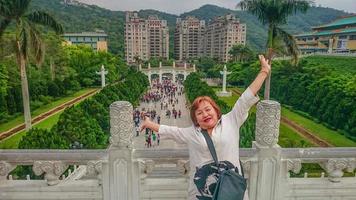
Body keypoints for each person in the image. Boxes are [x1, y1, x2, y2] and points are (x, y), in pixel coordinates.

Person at [140, 55, 271, 200]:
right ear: (195, 118)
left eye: (208, 110)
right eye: (199, 113)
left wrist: (264, 71)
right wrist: (149, 124)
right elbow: (171, 131)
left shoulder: (231, 121)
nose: (205, 114)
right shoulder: (192, 133)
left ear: (216, 110)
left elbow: (246, 98)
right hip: (202, 193)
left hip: (231, 189)